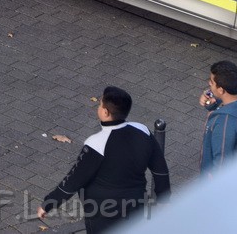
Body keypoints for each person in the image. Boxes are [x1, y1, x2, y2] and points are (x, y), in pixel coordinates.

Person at [39, 86, 170, 233]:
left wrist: (48, 203)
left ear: (105, 112)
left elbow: (74, 180)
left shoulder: (96, 143)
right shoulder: (142, 130)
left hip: (102, 211)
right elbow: (160, 170)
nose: (99, 106)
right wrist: (164, 199)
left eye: (100, 104)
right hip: (135, 204)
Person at [199, 60, 237, 175]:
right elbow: (227, 99)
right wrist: (212, 100)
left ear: (221, 90)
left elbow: (221, 163)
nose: (209, 84)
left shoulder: (224, 123)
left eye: (211, 82)